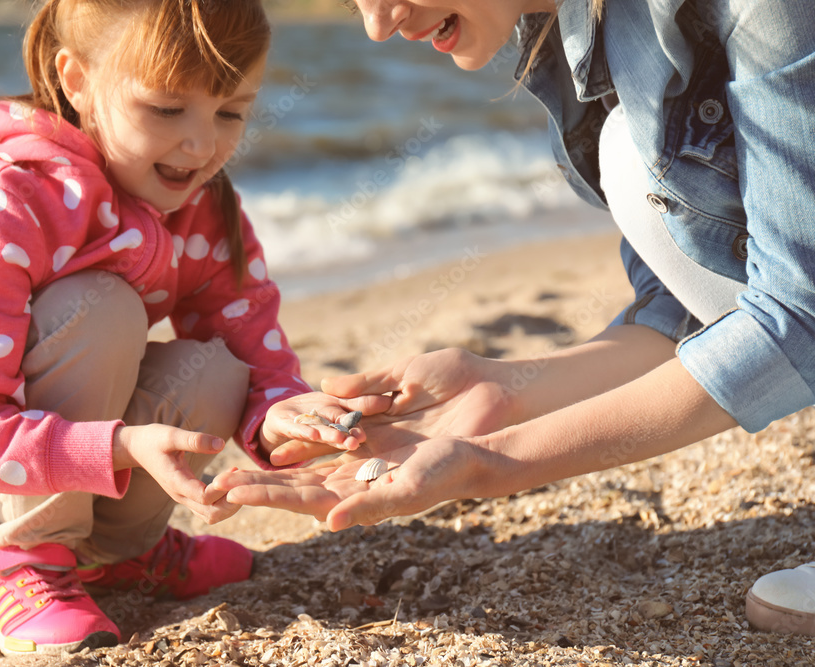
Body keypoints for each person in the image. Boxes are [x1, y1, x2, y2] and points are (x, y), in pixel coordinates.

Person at [212, 0, 815, 638]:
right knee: (628, 161)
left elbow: (799, 315)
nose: (378, 24)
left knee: (628, 158)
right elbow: (685, 309)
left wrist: (492, 462)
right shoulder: (573, 31)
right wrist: (504, 390)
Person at [0, 0, 379, 656]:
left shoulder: (201, 205)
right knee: (104, 306)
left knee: (218, 369)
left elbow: (252, 346)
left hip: (17, 448)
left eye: (230, 111)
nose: (202, 144)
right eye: (167, 109)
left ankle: (116, 552)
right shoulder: (4, 201)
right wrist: (115, 445)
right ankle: (25, 562)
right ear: (78, 80)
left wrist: (288, 412)